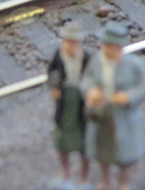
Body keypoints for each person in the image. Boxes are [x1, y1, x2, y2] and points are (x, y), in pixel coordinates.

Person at [81, 23, 145, 190]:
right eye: (106, 45)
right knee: (102, 152)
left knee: (126, 155)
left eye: (112, 46)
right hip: (102, 114)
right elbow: (86, 80)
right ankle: (106, 182)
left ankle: (123, 184)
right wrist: (90, 91)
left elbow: (144, 87)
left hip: (124, 117)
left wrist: (128, 97)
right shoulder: (97, 61)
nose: (107, 49)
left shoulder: (133, 65)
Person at [46, 21, 91, 189]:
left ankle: (84, 178)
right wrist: (54, 86)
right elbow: (51, 73)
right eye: (67, 41)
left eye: (73, 42)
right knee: (62, 141)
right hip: (64, 102)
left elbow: (93, 77)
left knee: (84, 142)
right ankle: (66, 173)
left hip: (81, 102)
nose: (70, 45)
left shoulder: (86, 57)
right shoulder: (59, 56)